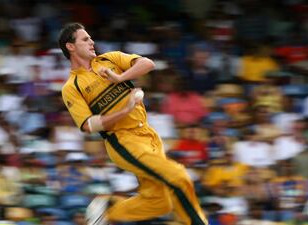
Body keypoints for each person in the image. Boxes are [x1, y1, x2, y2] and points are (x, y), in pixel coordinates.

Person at [58, 23, 207, 225]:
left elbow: (147, 64)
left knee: (160, 203)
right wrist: (125, 110)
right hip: (123, 141)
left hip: (148, 134)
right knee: (179, 176)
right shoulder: (72, 86)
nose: (92, 42)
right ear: (71, 47)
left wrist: (120, 77)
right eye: (85, 39)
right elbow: (88, 125)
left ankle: (108, 209)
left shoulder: (109, 59)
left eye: (90, 38)